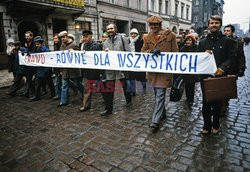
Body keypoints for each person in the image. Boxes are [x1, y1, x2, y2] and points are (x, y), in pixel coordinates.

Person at [198, 15, 235, 135]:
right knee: (206, 102)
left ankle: (216, 125)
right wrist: (203, 54)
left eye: (216, 23)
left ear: (220, 25)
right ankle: (206, 125)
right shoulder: (202, 42)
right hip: (205, 77)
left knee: (217, 102)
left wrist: (223, 68)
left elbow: (231, 58)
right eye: (212, 23)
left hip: (219, 76)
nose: (214, 25)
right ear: (209, 25)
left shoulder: (227, 41)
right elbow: (197, 59)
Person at [141, 15, 178, 132]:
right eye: (151, 25)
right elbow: (142, 51)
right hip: (153, 72)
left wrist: (161, 53)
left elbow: (175, 53)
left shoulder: (171, 35)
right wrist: (150, 51)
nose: (153, 27)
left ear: (160, 25)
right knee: (157, 94)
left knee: (160, 94)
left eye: (156, 25)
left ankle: (155, 121)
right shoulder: (147, 37)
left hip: (164, 72)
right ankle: (162, 113)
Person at [100, 23, 132, 116]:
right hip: (110, 69)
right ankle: (108, 109)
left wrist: (126, 65)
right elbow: (103, 56)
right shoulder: (105, 43)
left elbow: (128, 52)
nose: (110, 30)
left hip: (121, 68)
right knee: (109, 89)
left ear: (115, 29)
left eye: (111, 28)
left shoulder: (123, 39)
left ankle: (128, 100)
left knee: (125, 85)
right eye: (108, 29)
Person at [57, 31, 84, 107]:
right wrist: (61, 70)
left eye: (63, 37)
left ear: (67, 36)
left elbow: (79, 55)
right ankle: (63, 101)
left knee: (77, 84)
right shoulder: (61, 46)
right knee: (64, 85)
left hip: (73, 70)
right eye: (61, 38)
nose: (62, 39)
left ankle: (84, 94)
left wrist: (74, 52)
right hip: (65, 69)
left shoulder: (74, 44)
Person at [79, 30, 102, 112]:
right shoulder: (83, 46)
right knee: (87, 89)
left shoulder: (97, 45)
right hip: (87, 71)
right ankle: (86, 105)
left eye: (86, 36)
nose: (85, 38)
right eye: (83, 37)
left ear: (91, 36)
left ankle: (107, 102)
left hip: (96, 71)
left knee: (102, 88)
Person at [30, 36, 55, 101]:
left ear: (41, 43)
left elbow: (49, 60)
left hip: (46, 70)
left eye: (38, 43)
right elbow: (34, 56)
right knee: (38, 84)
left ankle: (53, 94)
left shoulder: (46, 50)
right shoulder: (36, 49)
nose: (36, 45)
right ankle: (37, 96)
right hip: (39, 70)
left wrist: (48, 70)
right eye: (36, 43)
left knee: (50, 83)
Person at [180, 34, 198, 107]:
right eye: (187, 40)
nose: (188, 41)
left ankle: (191, 99)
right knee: (187, 85)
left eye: (190, 40)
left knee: (192, 86)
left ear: (193, 41)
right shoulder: (182, 49)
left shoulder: (196, 48)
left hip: (193, 71)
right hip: (185, 70)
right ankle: (188, 98)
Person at [128, 28, 146, 95]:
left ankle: (144, 88)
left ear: (137, 34)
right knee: (131, 77)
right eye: (132, 34)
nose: (133, 35)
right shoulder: (128, 41)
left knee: (141, 77)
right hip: (130, 62)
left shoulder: (140, 41)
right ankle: (133, 91)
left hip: (139, 62)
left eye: (134, 34)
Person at [19, 31, 36, 98]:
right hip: (28, 64)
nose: (26, 37)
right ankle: (28, 92)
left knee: (35, 79)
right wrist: (24, 52)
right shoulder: (26, 42)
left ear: (31, 36)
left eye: (28, 36)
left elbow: (33, 51)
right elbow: (26, 50)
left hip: (34, 64)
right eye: (26, 36)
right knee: (29, 79)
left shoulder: (34, 43)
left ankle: (32, 93)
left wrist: (27, 51)